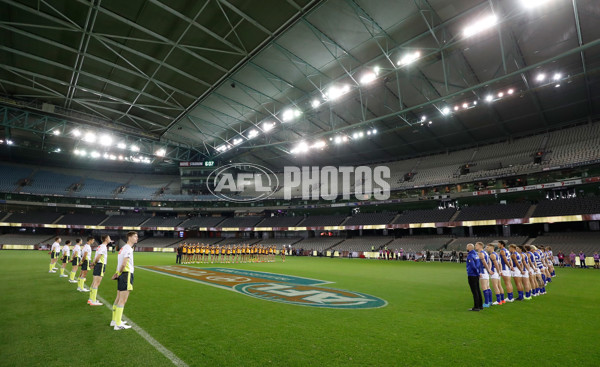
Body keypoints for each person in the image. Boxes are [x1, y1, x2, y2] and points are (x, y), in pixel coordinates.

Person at [111, 231, 137, 330]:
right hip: (127, 274)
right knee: (123, 300)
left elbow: (120, 263)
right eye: (135, 236)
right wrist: (119, 272)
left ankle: (114, 321)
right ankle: (118, 324)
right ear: (129, 237)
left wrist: (117, 273)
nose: (136, 238)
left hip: (122, 274)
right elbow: (124, 263)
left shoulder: (123, 248)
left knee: (118, 298)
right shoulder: (128, 249)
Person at [88, 235, 110, 306]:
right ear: (106, 239)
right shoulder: (103, 247)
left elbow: (96, 257)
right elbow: (98, 257)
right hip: (100, 265)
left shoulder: (100, 246)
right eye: (109, 238)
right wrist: (94, 264)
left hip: (98, 265)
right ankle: (93, 300)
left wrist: (94, 264)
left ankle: (91, 299)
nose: (110, 239)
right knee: (96, 283)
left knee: (94, 282)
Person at [476, 242, 493, 308]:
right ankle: (490, 301)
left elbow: (484, 262)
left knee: (484, 287)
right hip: (485, 271)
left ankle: (486, 303)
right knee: (488, 287)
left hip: (482, 271)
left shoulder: (481, 253)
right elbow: (489, 262)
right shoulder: (485, 253)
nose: (475, 246)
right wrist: (489, 269)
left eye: (476, 245)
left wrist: (488, 270)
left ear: (480, 246)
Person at [466, 244, 482, 311]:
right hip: (476, 275)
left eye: (467, 247)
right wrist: (479, 273)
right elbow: (479, 265)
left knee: (474, 291)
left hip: (472, 275)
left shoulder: (470, 255)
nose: (466, 248)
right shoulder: (476, 255)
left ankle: (476, 307)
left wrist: (477, 273)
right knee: (478, 290)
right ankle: (480, 305)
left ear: (469, 248)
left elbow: (473, 266)